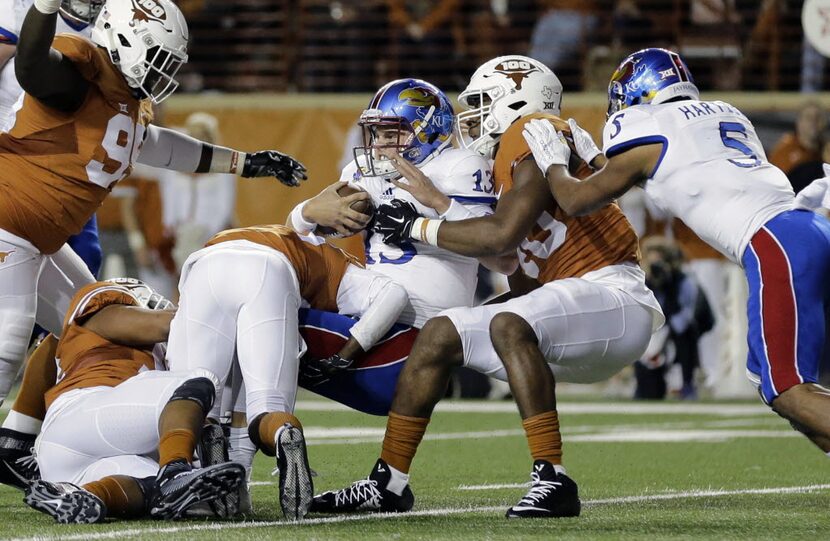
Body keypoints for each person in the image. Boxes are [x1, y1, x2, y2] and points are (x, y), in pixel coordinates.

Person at [311, 55, 663, 519]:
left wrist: (418, 227)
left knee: (507, 321)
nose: (470, 115)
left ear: (518, 100)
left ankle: (552, 478)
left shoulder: (532, 129)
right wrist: (437, 204)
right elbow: (510, 266)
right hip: (571, 307)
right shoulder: (502, 164)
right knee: (441, 333)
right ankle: (389, 481)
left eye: (480, 102)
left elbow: (502, 235)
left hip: (614, 295)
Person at [0, 0, 306, 456]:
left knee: (97, 322)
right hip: (8, 222)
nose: (163, 74)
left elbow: (158, 147)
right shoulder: (81, 70)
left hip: (36, 239)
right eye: (159, 59)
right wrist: (44, 7)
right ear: (124, 39)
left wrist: (246, 163)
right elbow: (31, 65)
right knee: (8, 337)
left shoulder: (126, 99)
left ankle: (14, 440)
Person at [521, 47, 830, 454]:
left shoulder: (646, 129)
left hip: (776, 241)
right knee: (770, 382)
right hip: (807, 226)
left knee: (788, 390)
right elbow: (664, 172)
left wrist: (553, 164)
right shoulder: (723, 111)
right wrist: (598, 161)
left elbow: (578, 201)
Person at [166, 225, 410, 520]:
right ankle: (283, 433)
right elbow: (393, 294)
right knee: (266, 406)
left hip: (206, 265)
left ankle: (226, 488)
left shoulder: (264, 235)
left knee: (197, 399)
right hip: (270, 270)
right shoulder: (325, 258)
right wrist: (345, 355)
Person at [289, 78, 514, 329]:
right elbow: (293, 240)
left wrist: (439, 203)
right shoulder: (362, 170)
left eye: (392, 134)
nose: (379, 145)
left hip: (431, 326)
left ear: (429, 130)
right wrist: (304, 213)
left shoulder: (458, 166)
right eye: (376, 134)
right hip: (369, 313)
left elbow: (502, 261)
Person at [21, 279, 245, 523]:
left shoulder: (155, 351)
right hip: (83, 414)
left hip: (70, 460)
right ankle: (174, 470)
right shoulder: (103, 307)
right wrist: (230, 321)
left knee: (169, 494)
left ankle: (77, 495)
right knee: (199, 381)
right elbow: (170, 323)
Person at [1, 0, 105, 278]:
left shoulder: (117, 20)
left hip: (67, 161)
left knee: (86, 254)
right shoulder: (18, 7)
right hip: (12, 152)